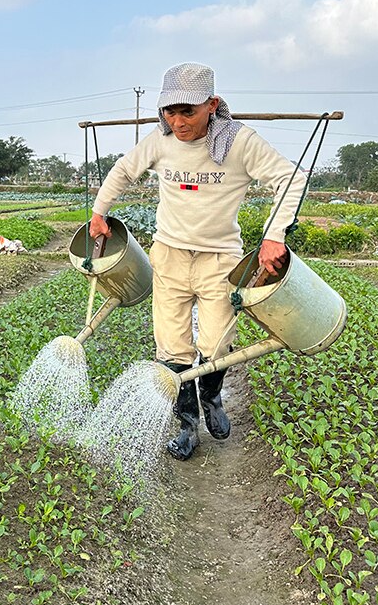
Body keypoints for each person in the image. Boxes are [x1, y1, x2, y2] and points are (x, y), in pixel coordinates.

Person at [88, 62, 306, 461]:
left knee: (217, 343)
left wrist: (275, 235)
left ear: (212, 104)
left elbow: (291, 178)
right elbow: (123, 171)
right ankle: (187, 426)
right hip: (169, 255)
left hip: (219, 258)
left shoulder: (240, 142)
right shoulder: (161, 139)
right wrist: (100, 212)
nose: (178, 120)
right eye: (170, 111)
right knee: (171, 346)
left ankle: (213, 399)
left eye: (187, 111)